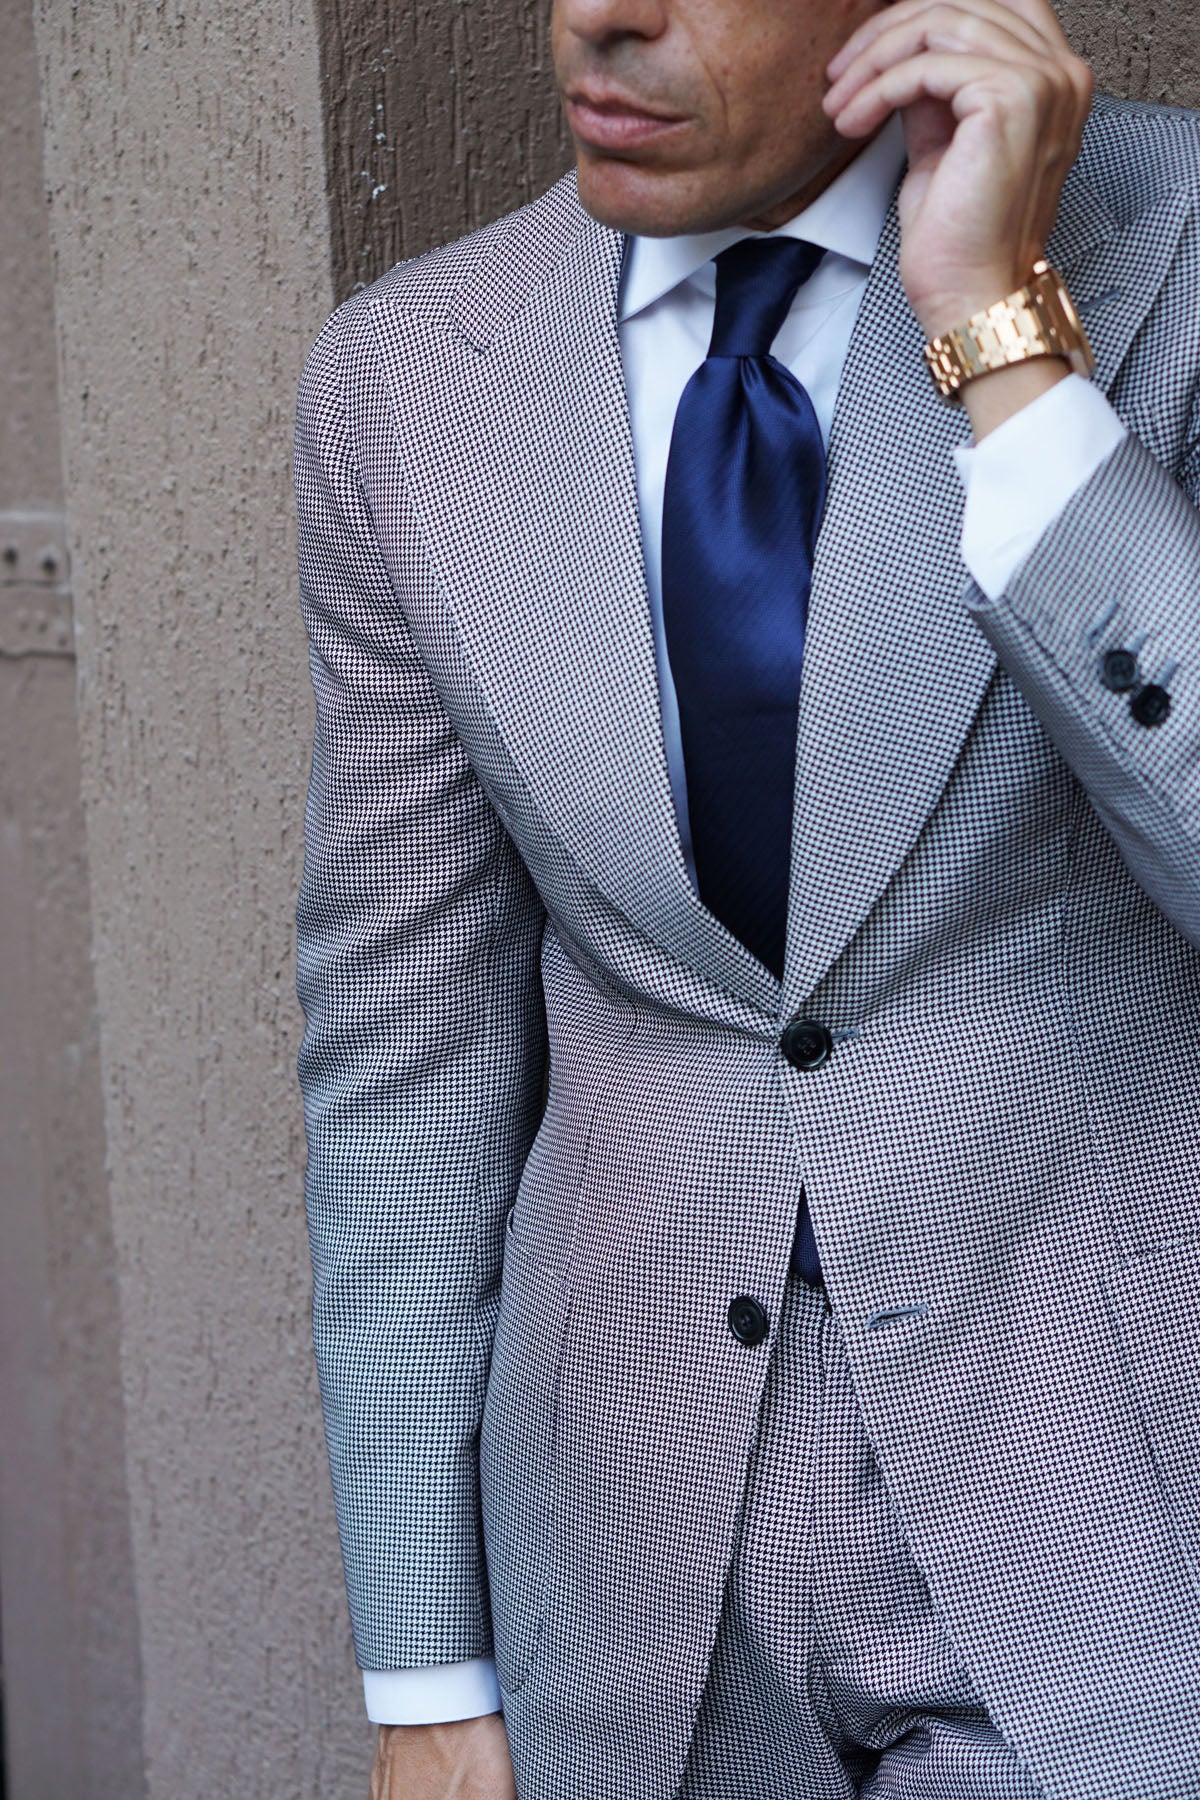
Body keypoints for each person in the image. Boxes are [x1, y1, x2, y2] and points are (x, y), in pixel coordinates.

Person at [292, 0, 1200, 1791]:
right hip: (635, 1584)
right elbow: (404, 1068)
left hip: (1111, 1532)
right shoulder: (403, 382)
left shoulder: (1174, 252)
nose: (601, 19)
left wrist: (1001, 341)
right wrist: (429, 1685)